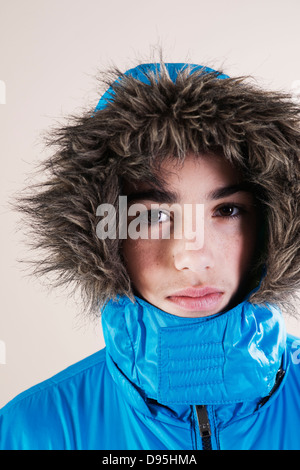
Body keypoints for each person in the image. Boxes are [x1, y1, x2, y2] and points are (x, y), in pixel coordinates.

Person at [0, 61, 299, 450]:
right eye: (153, 216)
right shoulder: (34, 431)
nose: (193, 258)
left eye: (226, 211)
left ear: (271, 222)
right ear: (104, 237)